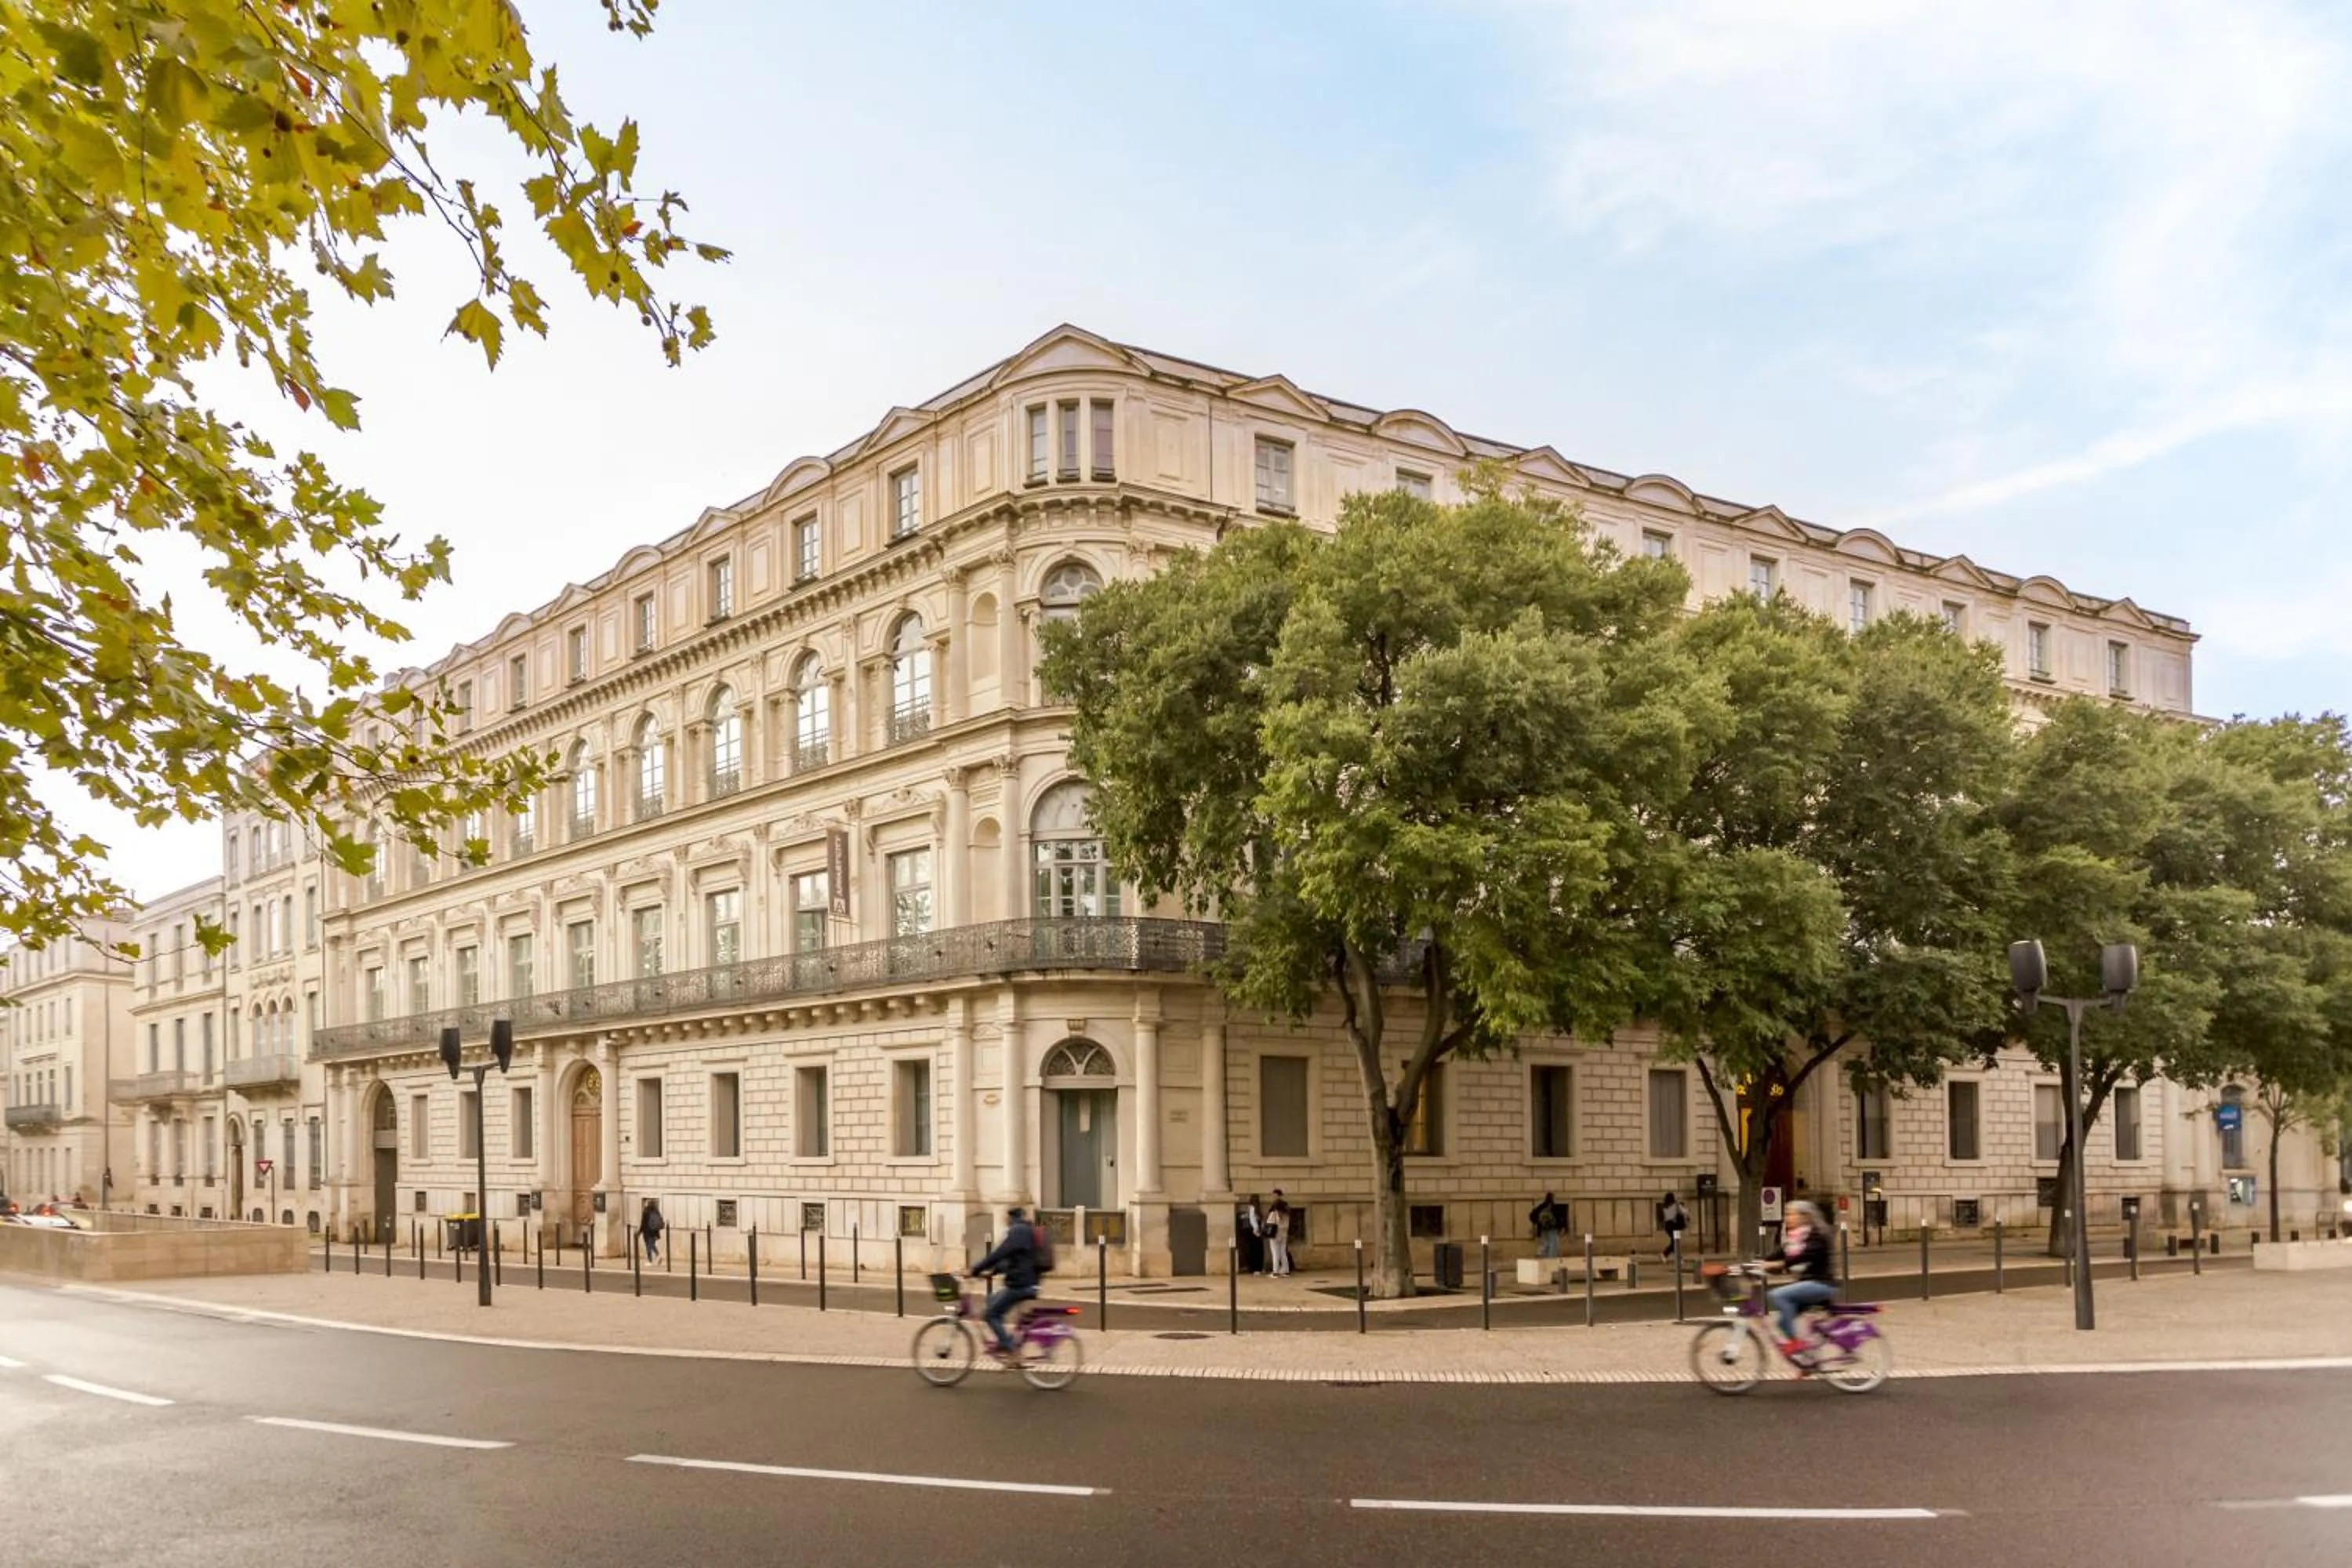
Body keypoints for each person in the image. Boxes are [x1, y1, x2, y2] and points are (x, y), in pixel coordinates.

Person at [1763, 1199, 1838, 1357]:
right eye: (1786, 1214)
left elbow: (1803, 1256)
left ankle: (1797, 1345)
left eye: (1791, 1214)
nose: (1787, 1218)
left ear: (1804, 1216)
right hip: (1807, 1283)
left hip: (1821, 1284)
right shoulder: (1795, 1238)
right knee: (1782, 1322)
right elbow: (1776, 1255)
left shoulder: (1816, 1235)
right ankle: (1807, 1359)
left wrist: (1779, 1265)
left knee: (1778, 1295)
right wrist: (1754, 1265)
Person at [969, 1206, 1044, 1357]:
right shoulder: (1024, 1230)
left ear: (1011, 1218)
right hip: (1025, 1281)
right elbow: (1013, 1259)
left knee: (991, 1314)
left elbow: (999, 1253)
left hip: (1020, 1284)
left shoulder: (1018, 1232)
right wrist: (994, 1271)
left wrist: (975, 1269)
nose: (1005, 1221)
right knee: (992, 1301)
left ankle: (1009, 1347)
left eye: (1006, 1218)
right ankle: (1005, 1340)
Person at [1530, 1192, 1566, 1259]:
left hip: (1543, 1230)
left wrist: (1537, 1223)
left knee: (1545, 1244)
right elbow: (1560, 1218)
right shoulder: (1554, 1207)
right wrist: (1562, 1227)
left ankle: (1543, 1258)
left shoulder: (1541, 1206)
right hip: (1553, 1229)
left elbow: (1532, 1215)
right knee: (1553, 1245)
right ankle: (1551, 1260)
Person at [1266, 1190, 1294, 1277]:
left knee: (1275, 1252)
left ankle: (1275, 1271)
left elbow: (1271, 1222)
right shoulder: (1287, 1214)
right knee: (1283, 1252)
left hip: (1276, 1233)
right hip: (1284, 1234)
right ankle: (1286, 1270)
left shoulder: (1275, 1212)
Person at [1657, 1190, 1689, 1261]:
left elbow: (1666, 1216)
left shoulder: (1664, 1207)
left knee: (1674, 1241)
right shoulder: (1676, 1205)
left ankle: (1677, 1257)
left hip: (1668, 1226)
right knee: (1675, 1242)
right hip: (1675, 1226)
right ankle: (1665, 1254)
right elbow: (1684, 1212)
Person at [1238, 1195, 1265, 1274]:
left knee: (1254, 1250)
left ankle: (1256, 1268)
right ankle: (1257, 1268)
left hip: (1254, 1231)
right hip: (1255, 1231)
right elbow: (1253, 1220)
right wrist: (1257, 1230)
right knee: (1257, 1250)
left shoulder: (1252, 1208)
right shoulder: (1254, 1209)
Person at [638, 1197, 666, 1264]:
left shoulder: (646, 1211)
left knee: (648, 1247)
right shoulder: (656, 1211)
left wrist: (639, 1232)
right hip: (654, 1232)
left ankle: (650, 1261)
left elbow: (643, 1223)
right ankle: (658, 1255)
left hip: (647, 1232)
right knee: (652, 1245)